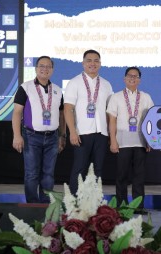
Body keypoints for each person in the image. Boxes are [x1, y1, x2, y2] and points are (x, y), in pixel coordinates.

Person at [12, 56, 66, 203]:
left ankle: (45, 206)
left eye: (48, 66)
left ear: (52, 70)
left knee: (48, 175)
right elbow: (17, 112)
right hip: (31, 136)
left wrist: (62, 136)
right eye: (42, 66)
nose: (45, 69)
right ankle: (32, 207)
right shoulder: (26, 87)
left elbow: (62, 114)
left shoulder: (58, 90)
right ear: (36, 68)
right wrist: (17, 136)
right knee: (31, 174)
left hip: (53, 137)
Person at [64, 49, 113, 194]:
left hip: (101, 133)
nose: (93, 63)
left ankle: (94, 203)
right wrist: (72, 132)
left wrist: (111, 134)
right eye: (89, 60)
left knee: (97, 169)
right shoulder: (74, 82)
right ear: (83, 63)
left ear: (100, 63)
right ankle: (73, 204)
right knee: (79, 168)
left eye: (96, 60)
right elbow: (68, 109)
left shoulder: (106, 84)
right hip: (82, 133)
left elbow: (109, 111)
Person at [106, 67, 154, 215]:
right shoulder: (116, 97)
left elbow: (151, 120)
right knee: (122, 176)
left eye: (136, 76)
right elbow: (112, 120)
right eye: (129, 76)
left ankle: (138, 206)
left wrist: (150, 140)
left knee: (139, 176)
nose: (132, 78)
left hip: (140, 141)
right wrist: (112, 140)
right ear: (124, 79)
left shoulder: (146, 97)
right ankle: (121, 206)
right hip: (122, 141)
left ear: (139, 80)